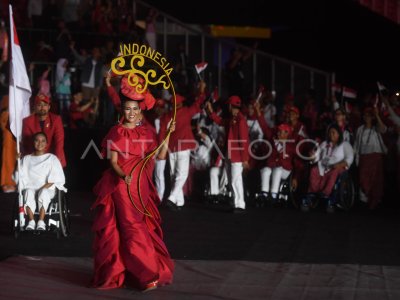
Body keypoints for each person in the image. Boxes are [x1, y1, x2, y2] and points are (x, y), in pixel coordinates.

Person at [91, 75, 174, 291]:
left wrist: (167, 136)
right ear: (122, 110)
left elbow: (158, 156)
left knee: (138, 226)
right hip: (122, 185)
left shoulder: (146, 133)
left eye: (135, 109)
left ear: (139, 111)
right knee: (131, 227)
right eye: (127, 109)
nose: (131, 112)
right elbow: (113, 162)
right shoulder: (115, 132)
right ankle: (148, 273)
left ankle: (135, 271)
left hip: (141, 185)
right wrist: (123, 176)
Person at [302, 123, 354, 213]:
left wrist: (339, 164)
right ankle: (312, 193)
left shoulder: (345, 144)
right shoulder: (324, 144)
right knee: (314, 170)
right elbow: (316, 156)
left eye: (333, 133)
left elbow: (349, 157)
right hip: (323, 167)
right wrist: (313, 156)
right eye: (330, 133)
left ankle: (326, 193)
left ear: (338, 134)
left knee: (334, 171)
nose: (331, 135)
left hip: (338, 167)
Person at [20, 132, 66, 231]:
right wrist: (17, 162)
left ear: (46, 143)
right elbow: (20, 176)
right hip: (31, 188)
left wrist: (40, 189)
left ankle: (41, 221)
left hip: (47, 189)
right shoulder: (26, 159)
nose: (40, 143)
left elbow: (55, 178)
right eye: (37, 140)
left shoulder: (52, 158)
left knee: (43, 192)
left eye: (43, 141)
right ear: (33, 142)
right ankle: (31, 221)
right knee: (28, 191)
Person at [354, 107, 387, 210]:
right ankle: (365, 200)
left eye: (369, 116)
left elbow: (383, 129)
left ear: (372, 117)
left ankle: (374, 201)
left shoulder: (376, 128)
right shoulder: (360, 129)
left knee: (375, 180)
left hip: (375, 157)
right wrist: (356, 157)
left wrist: (377, 115)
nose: (367, 118)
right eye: (365, 116)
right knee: (363, 179)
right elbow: (357, 144)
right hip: (364, 157)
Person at [22, 93, 66, 167]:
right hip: (34, 159)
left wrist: (56, 163)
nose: (42, 108)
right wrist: (35, 161)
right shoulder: (27, 121)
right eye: (39, 105)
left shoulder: (56, 119)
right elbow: (28, 144)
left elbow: (59, 143)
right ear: (35, 107)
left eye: (45, 105)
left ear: (49, 107)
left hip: (53, 157)